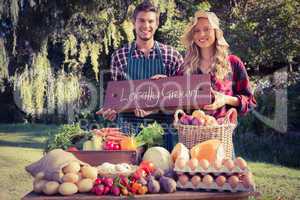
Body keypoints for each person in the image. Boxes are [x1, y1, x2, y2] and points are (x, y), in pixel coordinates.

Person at [96, 1, 184, 149]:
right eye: (141, 20)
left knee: (161, 169)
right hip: (127, 132)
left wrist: (160, 99)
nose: (146, 26)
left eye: (150, 21)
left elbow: (183, 97)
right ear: (133, 23)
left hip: (162, 130)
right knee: (127, 171)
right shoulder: (120, 56)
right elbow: (115, 97)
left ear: (157, 24)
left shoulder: (172, 55)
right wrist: (111, 111)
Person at [177, 10, 256, 118]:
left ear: (216, 32)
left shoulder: (233, 63)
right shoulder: (185, 67)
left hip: (222, 132)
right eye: (196, 31)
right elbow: (172, 100)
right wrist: (161, 83)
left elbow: (250, 102)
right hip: (192, 133)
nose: (202, 34)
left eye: (207, 29)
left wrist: (226, 99)